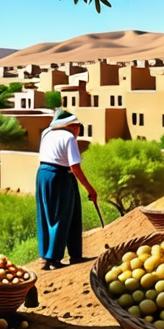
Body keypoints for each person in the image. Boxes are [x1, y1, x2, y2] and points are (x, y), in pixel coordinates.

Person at [36, 109, 98, 270]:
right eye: (78, 126)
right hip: (59, 176)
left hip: (43, 175)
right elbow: (75, 167)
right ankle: (54, 258)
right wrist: (90, 189)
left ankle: (48, 255)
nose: (79, 130)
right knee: (61, 215)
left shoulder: (47, 133)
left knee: (46, 214)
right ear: (71, 126)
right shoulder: (68, 137)